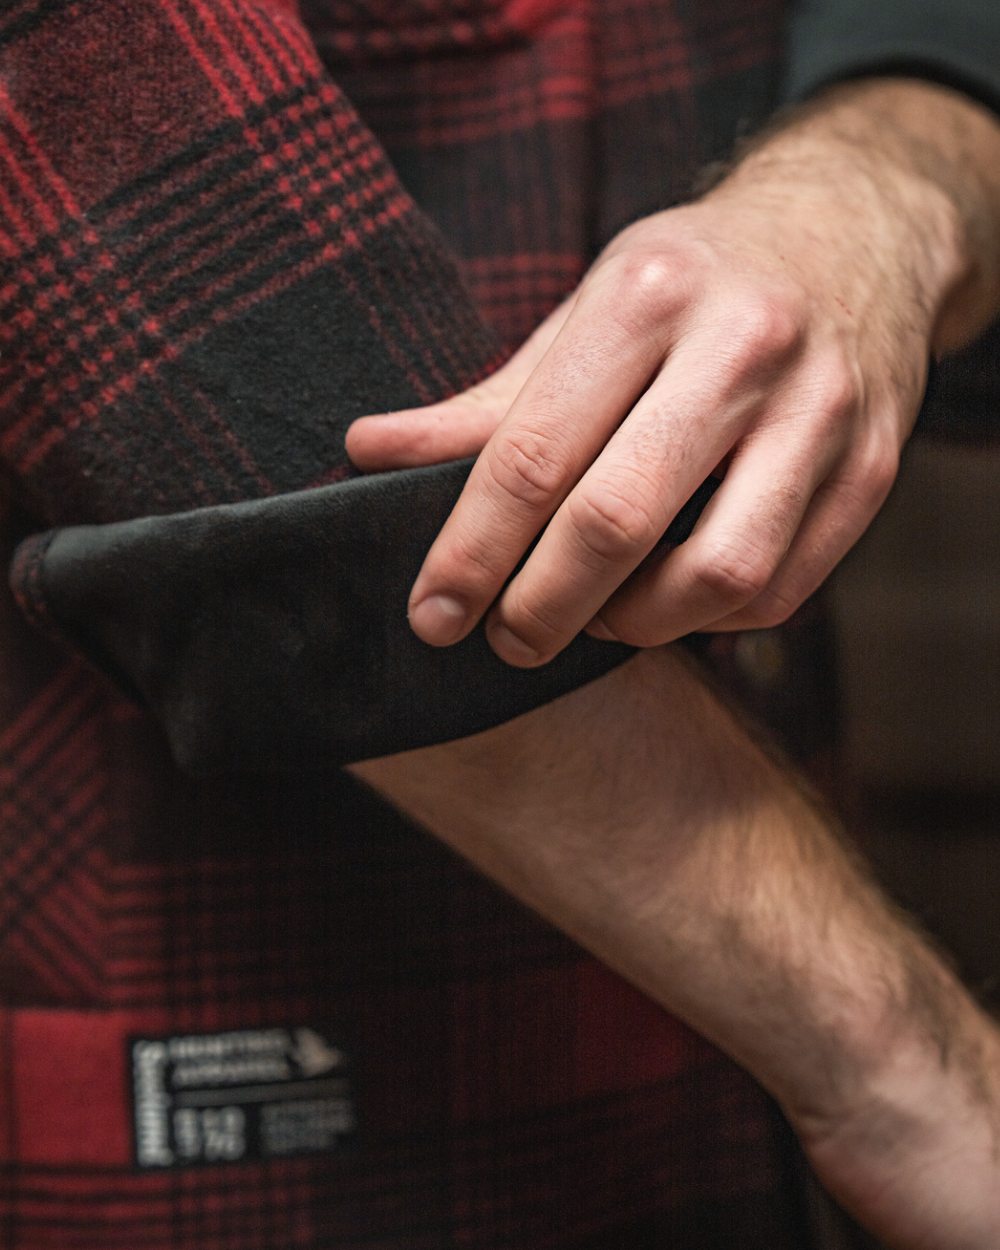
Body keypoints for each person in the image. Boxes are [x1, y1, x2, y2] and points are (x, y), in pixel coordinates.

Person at [0, 4, 997, 1249]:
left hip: (746, 1065)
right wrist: (910, 1062)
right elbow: (127, 211)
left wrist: (873, 188)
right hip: (252, 1048)